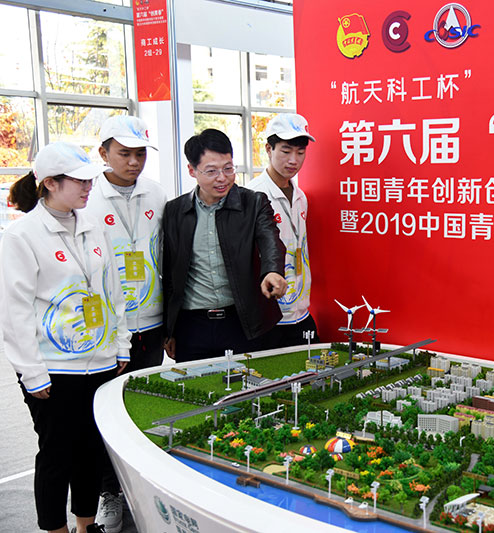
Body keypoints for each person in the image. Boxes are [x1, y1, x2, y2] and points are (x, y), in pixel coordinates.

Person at [1, 142, 131, 533]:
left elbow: (113, 291)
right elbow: (14, 312)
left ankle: (85, 525)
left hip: (100, 361)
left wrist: (120, 343)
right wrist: (32, 373)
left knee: (90, 450)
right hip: (53, 369)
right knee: (57, 453)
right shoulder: (22, 236)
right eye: (79, 180)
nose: (89, 187)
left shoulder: (93, 226)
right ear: (50, 183)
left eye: (90, 179)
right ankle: (55, 529)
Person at [83, 115, 166, 533]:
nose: (134, 162)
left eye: (140, 154)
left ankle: (141, 486)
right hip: (107, 329)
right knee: (106, 414)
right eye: (124, 153)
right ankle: (108, 492)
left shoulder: (157, 193)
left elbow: (167, 255)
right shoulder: (88, 198)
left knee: (144, 407)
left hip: (150, 321)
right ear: (103, 153)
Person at [162, 128, 288, 362]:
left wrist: (273, 271)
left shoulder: (253, 202)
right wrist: (169, 330)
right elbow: (170, 274)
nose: (222, 178)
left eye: (228, 168)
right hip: (192, 327)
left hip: (243, 322)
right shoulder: (174, 211)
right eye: (211, 171)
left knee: (249, 382)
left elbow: (271, 240)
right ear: (192, 170)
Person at [247, 113, 318, 347]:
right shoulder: (252, 195)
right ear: (268, 149)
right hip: (269, 316)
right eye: (286, 151)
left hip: (301, 311)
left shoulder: (301, 197)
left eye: (300, 152)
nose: (293, 160)